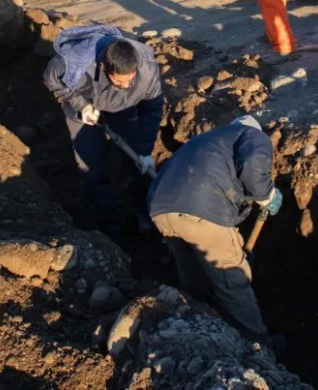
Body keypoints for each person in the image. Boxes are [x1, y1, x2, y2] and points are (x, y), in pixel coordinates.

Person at [147, 115, 284, 350]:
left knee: (193, 272)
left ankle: (198, 323)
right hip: (200, 209)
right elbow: (253, 162)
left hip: (159, 208)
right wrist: (266, 194)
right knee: (234, 283)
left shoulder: (204, 141)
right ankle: (258, 347)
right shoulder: (251, 134)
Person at [43, 24, 163, 237]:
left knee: (136, 161)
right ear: (104, 67)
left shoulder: (147, 70)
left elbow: (152, 111)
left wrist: (145, 151)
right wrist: (81, 105)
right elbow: (50, 79)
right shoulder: (73, 62)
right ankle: (109, 226)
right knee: (92, 166)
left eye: (130, 80)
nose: (126, 84)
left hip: (123, 107)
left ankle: (143, 213)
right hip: (84, 105)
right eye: (120, 81)